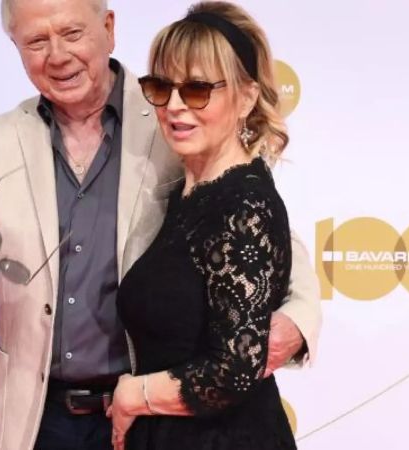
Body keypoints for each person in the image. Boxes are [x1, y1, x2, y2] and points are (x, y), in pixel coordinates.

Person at [0, 1, 320, 449]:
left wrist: (299, 320)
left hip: (149, 411)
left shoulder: (169, 113)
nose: (57, 55)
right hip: (41, 415)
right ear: (15, 46)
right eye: (36, 41)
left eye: (72, 33)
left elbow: (261, 235)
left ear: (109, 29)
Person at [107, 2, 299, 449]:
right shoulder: (187, 193)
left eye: (196, 90)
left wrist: (137, 393)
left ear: (246, 97)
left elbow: (235, 368)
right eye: (161, 87)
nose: (174, 107)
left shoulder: (243, 202)